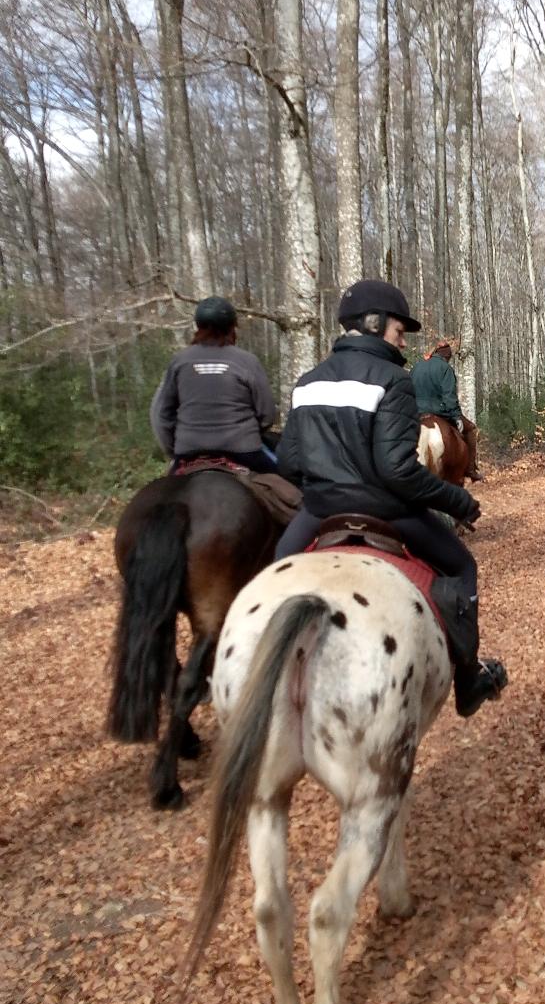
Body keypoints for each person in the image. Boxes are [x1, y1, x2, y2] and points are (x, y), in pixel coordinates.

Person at [276, 279, 507, 718]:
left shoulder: (306, 383)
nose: (404, 341)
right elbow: (397, 471)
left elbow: (289, 463)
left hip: (319, 512)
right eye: (400, 331)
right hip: (386, 511)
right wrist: (458, 502)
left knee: (277, 563)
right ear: (374, 323)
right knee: (462, 566)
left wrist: (327, 485)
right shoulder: (392, 380)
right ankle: (468, 679)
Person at [150, 296, 279, 474]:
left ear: (198, 326)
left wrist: (174, 450)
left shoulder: (179, 361)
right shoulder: (247, 361)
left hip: (189, 452)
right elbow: (267, 414)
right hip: (243, 450)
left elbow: (161, 414)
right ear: (232, 328)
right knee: (287, 485)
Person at [411, 337, 483, 481]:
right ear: (447, 356)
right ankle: (470, 469)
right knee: (471, 430)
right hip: (440, 413)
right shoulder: (445, 368)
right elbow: (449, 396)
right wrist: (456, 416)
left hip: (415, 414)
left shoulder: (416, 367)